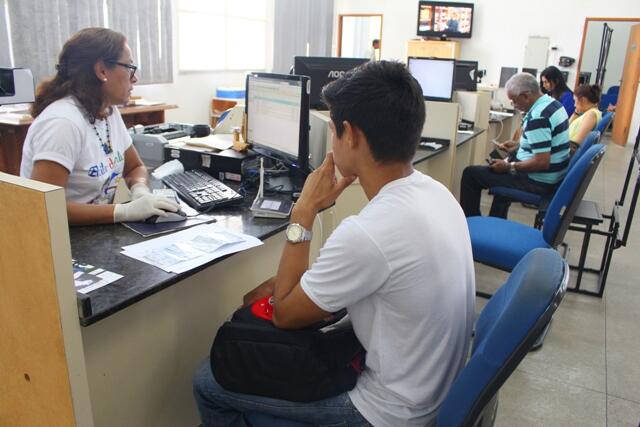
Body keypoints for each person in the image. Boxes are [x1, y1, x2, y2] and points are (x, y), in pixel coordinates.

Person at [193, 61, 475, 427]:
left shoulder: (369, 233)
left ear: (352, 135)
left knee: (207, 383)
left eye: (332, 129)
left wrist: (304, 211)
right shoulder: (437, 194)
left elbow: (285, 315)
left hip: (385, 412)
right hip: (433, 393)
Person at [20, 27, 179, 225]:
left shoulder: (108, 112)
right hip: (60, 239)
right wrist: (123, 211)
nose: (135, 78)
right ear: (102, 70)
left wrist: (140, 190)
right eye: (129, 67)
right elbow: (43, 207)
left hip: (95, 230)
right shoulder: (63, 123)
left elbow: (134, 167)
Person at [460, 72, 570, 218]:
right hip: (554, 176)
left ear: (526, 96)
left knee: (471, 174)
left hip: (539, 182)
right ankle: (494, 222)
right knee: (504, 164)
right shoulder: (553, 104)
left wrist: (510, 167)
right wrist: (519, 146)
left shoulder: (538, 117)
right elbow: (546, 144)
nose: (513, 105)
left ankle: (471, 223)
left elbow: (542, 162)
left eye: (514, 101)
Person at [568, 84, 602, 153]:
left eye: (575, 101)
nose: (574, 105)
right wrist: (576, 112)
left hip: (566, 151)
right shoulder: (590, 112)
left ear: (583, 100)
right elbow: (567, 126)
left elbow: (576, 143)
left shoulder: (591, 114)